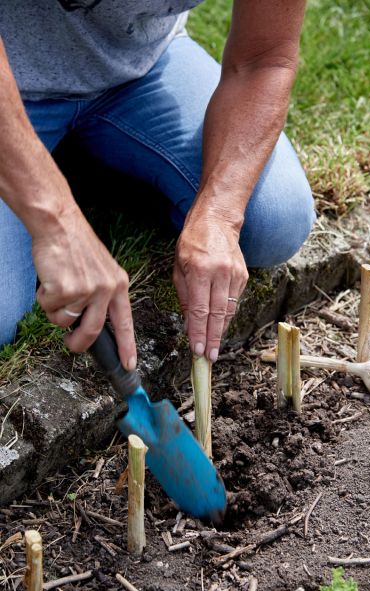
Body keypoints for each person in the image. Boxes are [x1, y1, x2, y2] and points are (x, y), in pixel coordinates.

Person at [0, 0, 314, 370]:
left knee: (276, 219)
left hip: (139, 69)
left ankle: (78, 161)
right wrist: (58, 220)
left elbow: (263, 60)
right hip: (13, 88)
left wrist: (219, 213)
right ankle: (46, 165)